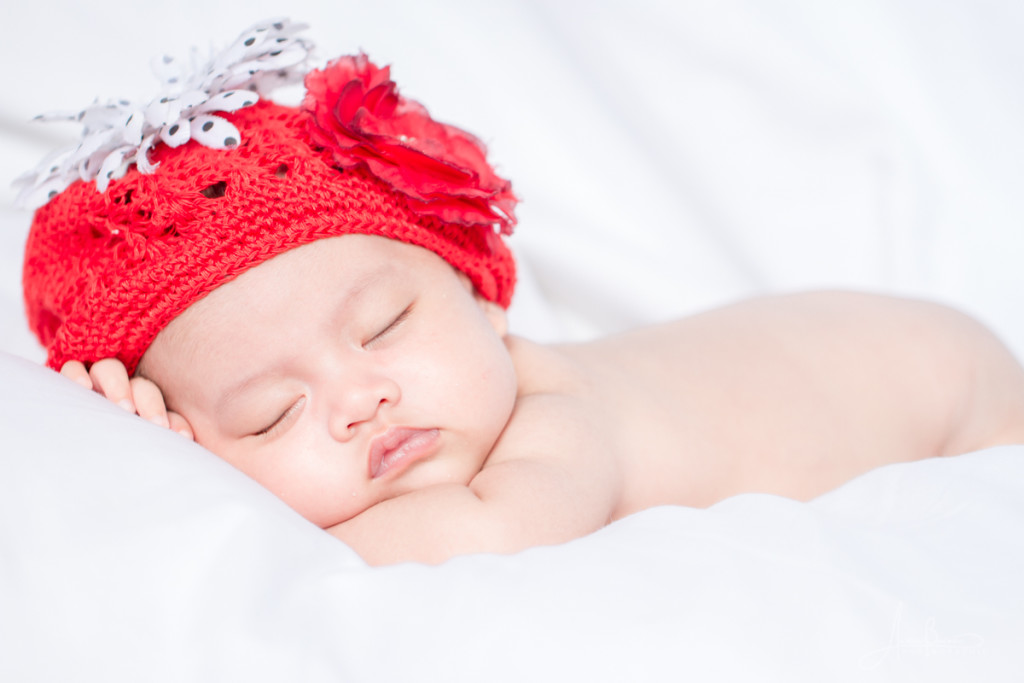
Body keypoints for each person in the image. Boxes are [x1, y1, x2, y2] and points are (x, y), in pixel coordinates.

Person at [20, 21, 1024, 566]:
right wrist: (160, 460)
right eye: (272, 412)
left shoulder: (555, 421)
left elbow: (479, 538)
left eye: (386, 324)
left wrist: (230, 483)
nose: (358, 397)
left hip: (946, 380)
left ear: (483, 295)